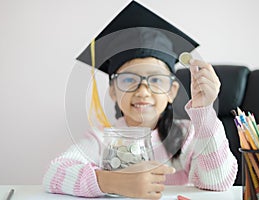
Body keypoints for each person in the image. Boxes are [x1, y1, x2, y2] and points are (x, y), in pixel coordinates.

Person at [43, 1, 237, 199]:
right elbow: (54, 174)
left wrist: (204, 109)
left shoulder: (186, 135)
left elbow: (217, 182)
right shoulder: (102, 139)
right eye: (129, 80)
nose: (143, 92)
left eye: (156, 80)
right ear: (112, 91)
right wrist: (114, 181)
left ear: (172, 91)